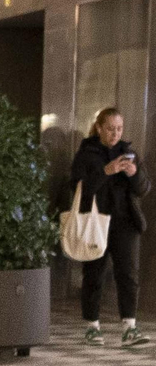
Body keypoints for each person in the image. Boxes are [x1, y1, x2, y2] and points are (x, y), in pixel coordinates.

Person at [71, 107, 150, 347]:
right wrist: (106, 171)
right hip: (96, 221)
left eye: (119, 129)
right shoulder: (87, 153)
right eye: (110, 128)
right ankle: (92, 327)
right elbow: (76, 187)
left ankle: (130, 327)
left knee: (128, 274)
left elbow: (144, 188)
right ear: (99, 128)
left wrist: (134, 173)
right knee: (94, 273)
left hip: (126, 222)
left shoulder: (129, 153)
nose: (115, 133)